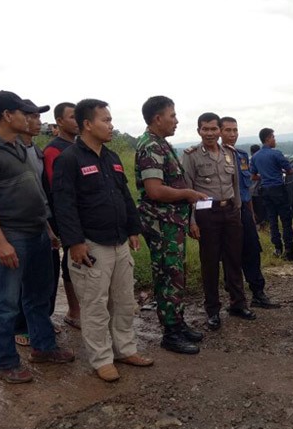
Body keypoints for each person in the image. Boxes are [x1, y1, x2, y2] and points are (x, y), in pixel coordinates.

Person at [0, 91, 75, 384]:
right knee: (6, 302)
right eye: (23, 113)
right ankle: (6, 364)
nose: (28, 119)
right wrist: (0, 242)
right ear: (7, 115)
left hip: (38, 232)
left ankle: (43, 347)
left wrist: (49, 230)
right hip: (12, 235)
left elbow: (37, 195)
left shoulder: (18, 147)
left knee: (38, 296)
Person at [52, 98, 152, 382]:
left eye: (110, 119)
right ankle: (102, 360)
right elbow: (64, 204)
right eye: (105, 120)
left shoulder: (111, 158)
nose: (111, 125)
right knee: (95, 306)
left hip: (119, 241)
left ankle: (125, 350)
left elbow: (124, 196)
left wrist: (133, 229)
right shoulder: (69, 159)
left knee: (123, 301)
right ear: (87, 124)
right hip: (91, 244)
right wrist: (74, 242)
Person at [135, 96, 209, 355]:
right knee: (168, 274)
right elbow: (154, 190)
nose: (176, 120)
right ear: (157, 118)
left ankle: (177, 323)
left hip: (170, 223)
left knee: (176, 273)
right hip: (161, 223)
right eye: (172, 115)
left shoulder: (161, 144)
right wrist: (188, 194)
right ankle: (170, 333)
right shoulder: (150, 147)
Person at [182, 113, 256, 330]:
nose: (210, 133)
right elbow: (188, 189)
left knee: (234, 259)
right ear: (199, 131)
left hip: (231, 213)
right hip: (207, 215)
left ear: (219, 131)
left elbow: (234, 185)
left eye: (214, 129)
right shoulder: (192, 155)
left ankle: (238, 303)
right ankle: (212, 310)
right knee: (210, 263)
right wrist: (192, 221)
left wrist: (238, 212)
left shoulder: (229, 153)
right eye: (205, 129)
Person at [220, 117, 279, 310]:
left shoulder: (242, 155)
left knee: (252, 251)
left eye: (235, 130)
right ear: (220, 132)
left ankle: (258, 293)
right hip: (225, 212)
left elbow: (246, 189)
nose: (232, 134)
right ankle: (236, 299)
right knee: (230, 256)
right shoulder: (215, 156)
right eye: (228, 130)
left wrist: (251, 214)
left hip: (244, 210)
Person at [13, 101, 53, 346]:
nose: (39, 122)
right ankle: (21, 326)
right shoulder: (12, 150)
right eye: (33, 117)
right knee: (21, 280)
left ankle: (39, 324)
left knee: (43, 279)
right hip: (20, 226)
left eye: (39, 117)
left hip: (43, 220)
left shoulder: (37, 151)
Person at [42, 102, 82, 330]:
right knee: (70, 261)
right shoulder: (53, 150)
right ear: (59, 121)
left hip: (84, 214)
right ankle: (73, 311)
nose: (76, 121)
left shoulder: (78, 146)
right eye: (72, 117)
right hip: (64, 216)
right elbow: (54, 188)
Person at [250, 128, 293, 260]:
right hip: (278, 189)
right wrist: (278, 172)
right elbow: (290, 170)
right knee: (286, 220)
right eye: (273, 137)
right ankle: (289, 251)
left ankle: (277, 249)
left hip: (265, 190)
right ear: (268, 139)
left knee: (272, 220)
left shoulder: (255, 157)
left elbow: (253, 176)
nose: (275, 140)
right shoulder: (276, 154)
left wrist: (265, 176)